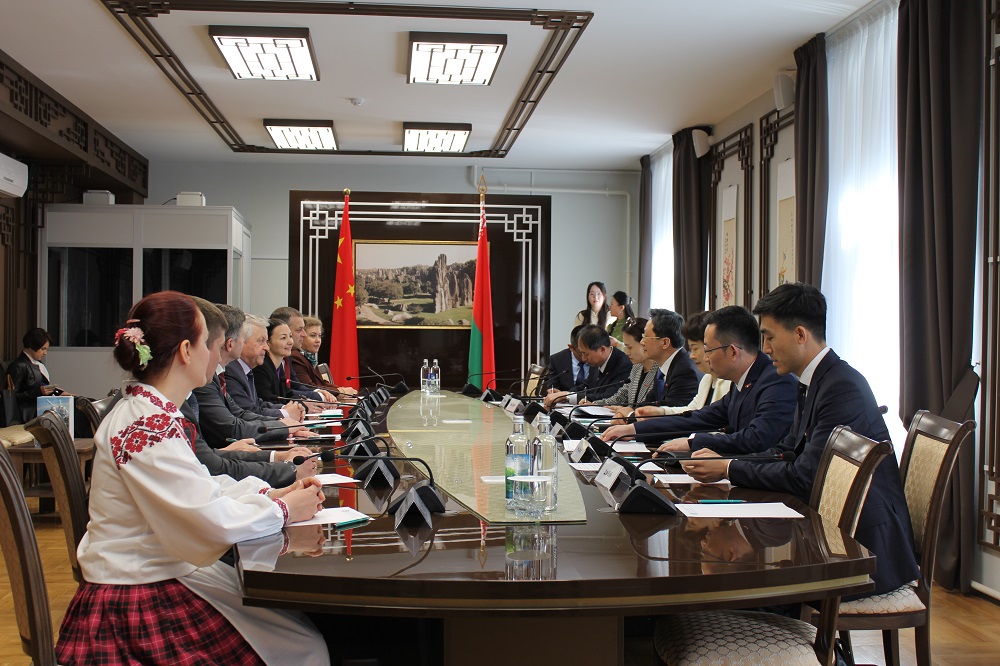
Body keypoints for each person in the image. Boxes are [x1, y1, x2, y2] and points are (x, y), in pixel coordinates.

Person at [55, 290, 330, 664]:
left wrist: (269, 494)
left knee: (297, 633)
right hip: (136, 597)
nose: (216, 355)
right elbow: (207, 520)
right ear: (187, 351)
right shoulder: (147, 425)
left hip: (154, 574)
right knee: (301, 645)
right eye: (209, 344)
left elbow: (201, 486)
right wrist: (283, 509)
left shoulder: (152, 413)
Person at [681, 282, 919, 596]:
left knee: (736, 591)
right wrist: (725, 463)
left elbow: (805, 476)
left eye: (769, 337)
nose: (765, 349)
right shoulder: (815, 381)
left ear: (800, 334)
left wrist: (728, 468)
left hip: (862, 552)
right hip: (831, 538)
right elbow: (785, 452)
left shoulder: (840, 387)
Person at [603, 305, 797, 455]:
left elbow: (756, 438)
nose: (705, 358)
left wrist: (693, 443)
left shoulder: (776, 381)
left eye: (708, 350)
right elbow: (698, 418)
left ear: (732, 351)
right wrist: (633, 429)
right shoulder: (743, 381)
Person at [193, 301, 314, 452]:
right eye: (261, 341)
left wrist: (283, 424)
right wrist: (283, 425)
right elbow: (231, 427)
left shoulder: (221, 374)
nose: (266, 347)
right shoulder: (215, 377)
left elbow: (240, 413)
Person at [635, 311, 731, 418]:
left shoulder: (686, 370)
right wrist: (660, 412)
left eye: (695, 349)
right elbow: (691, 410)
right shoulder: (707, 379)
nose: (692, 356)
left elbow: (706, 420)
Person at [611, 308, 699, 420]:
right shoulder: (664, 368)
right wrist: (627, 413)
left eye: (646, 337)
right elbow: (649, 404)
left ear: (665, 342)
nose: (642, 342)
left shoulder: (685, 370)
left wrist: (629, 416)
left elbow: (671, 414)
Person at [226, 314, 306, 421]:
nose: (266, 347)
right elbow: (248, 411)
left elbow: (257, 403)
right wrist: (286, 413)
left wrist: (286, 408)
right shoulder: (231, 371)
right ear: (242, 342)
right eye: (261, 341)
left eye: (266, 341)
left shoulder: (246, 369)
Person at [543, 325, 631, 408]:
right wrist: (563, 394)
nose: (583, 358)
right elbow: (587, 386)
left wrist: (567, 396)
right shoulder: (595, 361)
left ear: (602, 350)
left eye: (585, 354)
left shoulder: (624, 365)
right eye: (581, 353)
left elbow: (609, 396)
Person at [590, 318, 657, 413]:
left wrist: (630, 411)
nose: (627, 352)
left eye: (630, 347)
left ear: (644, 343)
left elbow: (652, 408)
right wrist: (593, 405)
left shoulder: (660, 372)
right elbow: (620, 397)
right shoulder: (637, 368)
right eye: (625, 347)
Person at [8, 327, 65, 424]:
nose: (45, 353)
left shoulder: (36, 363)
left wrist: (58, 392)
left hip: (39, 408)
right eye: (43, 349)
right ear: (31, 346)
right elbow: (13, 397)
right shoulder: (19, 366)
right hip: (29, 414)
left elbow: (41, 386)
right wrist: (39, 391)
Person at [545, 325, 588, 392]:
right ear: (571, 347)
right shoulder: (557, 360)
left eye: (587, 353)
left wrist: (568, 395)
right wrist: (555, 393)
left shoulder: (598, 360)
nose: (584, 358)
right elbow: (552, 387)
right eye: (581, 353)